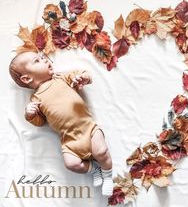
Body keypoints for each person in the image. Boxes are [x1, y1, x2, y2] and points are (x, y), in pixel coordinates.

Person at [9, 51, 113, 196]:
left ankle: (107, 174)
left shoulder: (60, 78)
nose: (45, 60)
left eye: (43, 57)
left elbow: (82, 73)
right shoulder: (36, 98)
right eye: (37, 61)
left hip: (88, 128)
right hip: (69, 140)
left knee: (101, 151)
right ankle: (94, 168)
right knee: (72, 164)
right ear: (27, 78)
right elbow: (40, 122)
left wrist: (82, 78)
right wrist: (29, 114)